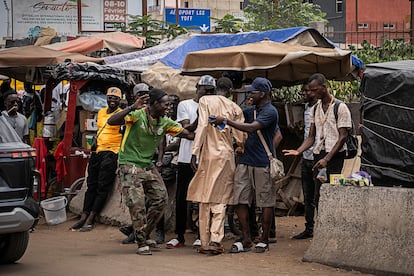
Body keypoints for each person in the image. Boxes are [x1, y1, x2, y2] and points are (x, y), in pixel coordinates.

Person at [107, 88, 194, 256]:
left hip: (147, 165)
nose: (168, 107)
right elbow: (112, 121)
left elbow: (188, 134)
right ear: (154, 104)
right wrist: (132, 106)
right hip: (129, 165)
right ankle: (141, 242)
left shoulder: (165, 122)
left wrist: (202, 120)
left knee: (161, 199)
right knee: (137, 204)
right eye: (165, 104)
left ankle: (144, 235)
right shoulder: (137, 115)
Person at [211, 77, 279, 253]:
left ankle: (264, 239)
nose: (249, 94)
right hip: (246, 161)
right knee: (241, 199)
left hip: (263, 162)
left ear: (262, 94)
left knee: (265, 202)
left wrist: (225, 121)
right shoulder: (252, 110)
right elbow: (236, 113)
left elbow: (251, 128)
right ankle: (246, 238)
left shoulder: (270, 112)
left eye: (252, 92)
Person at [186, 78, 246, 254]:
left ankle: (204, 241)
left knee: (204, 197)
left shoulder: (205, 101)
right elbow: (240, 136)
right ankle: (215, 239)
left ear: (215, 88)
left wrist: (194, 152)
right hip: (226, 156)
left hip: (207, 155)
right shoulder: (235, 107)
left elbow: (202, 126)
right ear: (230, 90)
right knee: (221, 197)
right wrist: (240, 146)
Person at [283, 73, 352, 215]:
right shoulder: (315, 109)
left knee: (332, 192)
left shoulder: (340, 107)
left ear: (323, 88)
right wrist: (299, 151)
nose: (312, 93)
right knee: (317, 194)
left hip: (334, 157)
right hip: (318, 155)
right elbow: (311, 137)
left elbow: (342, 137)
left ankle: (331, 225)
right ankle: (318, 227)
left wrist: (327, 159)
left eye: (314, 90)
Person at [165, 75, 215, 249]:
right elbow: (186, 130)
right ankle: (179, 235)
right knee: (182, 197)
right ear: (197, 88)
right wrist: (200, 119)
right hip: (186, 158)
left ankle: (202, 235)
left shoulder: (213, 105)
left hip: (206, 159)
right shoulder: (185, 105)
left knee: (203, 198)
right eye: (205, 90)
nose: (207, 93)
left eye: (211, 91)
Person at [70, 87, 124, 232]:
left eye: (115, 98)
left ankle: (92, 217)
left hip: (112, 152)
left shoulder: (122, 115)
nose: (112, 100)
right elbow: (99, 130)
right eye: (110, 98)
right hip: (97, 152)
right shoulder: (100, 113)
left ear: (120, 100)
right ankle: (84, 214)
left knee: (102, 186)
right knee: (91, 185)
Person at [291, 83, 318, 239]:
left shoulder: (321, 108)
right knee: (308, 196)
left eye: (308, 91)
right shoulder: (307, 108)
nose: (305, 93)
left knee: (318, 196)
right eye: (304, 91)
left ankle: (321, 229)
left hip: (318, 157)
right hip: (306, 157)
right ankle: (309, 228)